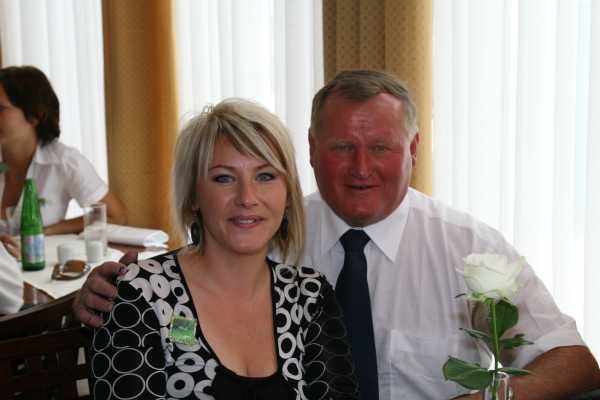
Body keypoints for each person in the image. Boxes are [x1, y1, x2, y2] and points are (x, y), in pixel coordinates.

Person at [75, 70, 600, 399]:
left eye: (381, 148)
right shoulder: (269, 230)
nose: (361, 168)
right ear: (310, 149)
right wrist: (111, 288)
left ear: (414, 151)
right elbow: (191, 277)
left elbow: (574, 361)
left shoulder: (468, 249)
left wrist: (491, 398)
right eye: (342, 147)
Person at [89, 98, 359, 399]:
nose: (247, 198)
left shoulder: (309, 295)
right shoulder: (143, 294)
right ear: (193, 195)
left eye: (265, 176)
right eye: (224, 178)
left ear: (287, 194)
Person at [0, 66, 127, 258]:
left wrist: (47, 231)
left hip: (39, 268)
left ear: (35, 115)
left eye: (1, 109)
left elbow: (115, 215)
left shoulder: (64, 162)